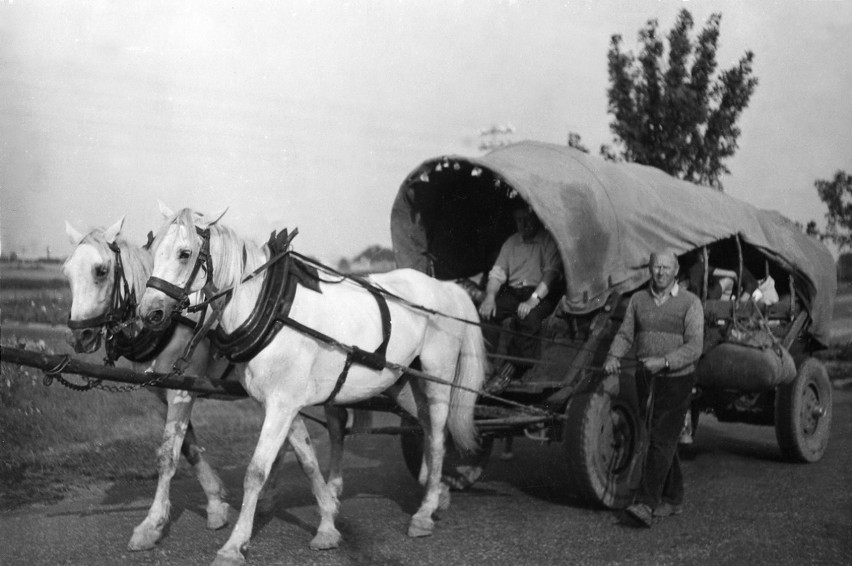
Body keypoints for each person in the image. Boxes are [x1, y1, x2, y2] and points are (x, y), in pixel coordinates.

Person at [604, 250, 704, 527]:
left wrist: (665, 361)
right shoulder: (638, 300)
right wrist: (613, 356)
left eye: (666, 267)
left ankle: (646, 503)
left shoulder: (690, 303)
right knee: (661, 436)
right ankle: (673, 498)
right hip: (645, 376)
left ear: (676, 270)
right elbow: (626, 335)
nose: (660, 272)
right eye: (656, 266)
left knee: (660, 438)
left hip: (677, 379)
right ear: (650, 269)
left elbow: (695, 347)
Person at [479, 201, 563, 393]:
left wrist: (533, 300)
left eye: (528, 220)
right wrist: (490, 296)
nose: (523, 225)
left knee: (528, 318)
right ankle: (487, 366)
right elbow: (497, 273)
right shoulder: (511, 243)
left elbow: (550, 274)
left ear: (536, 219)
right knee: (488, 312)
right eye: (519, 220)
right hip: (514, 292)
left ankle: (510, 371)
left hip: (541, 293)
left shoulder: (547, 241)